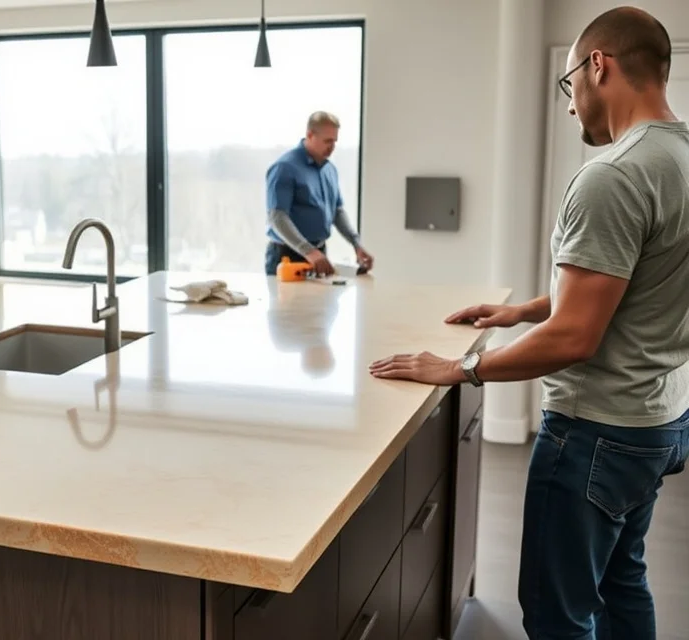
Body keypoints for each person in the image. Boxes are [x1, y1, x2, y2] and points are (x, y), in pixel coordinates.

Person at [369, 7, 689, 640]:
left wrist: (459, 368)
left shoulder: (613, 176)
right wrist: (523, 309)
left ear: (598, 65)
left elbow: (576, 337)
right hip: (659, 421)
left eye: (570, 84)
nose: (571, 108)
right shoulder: (679, 158)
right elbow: (638, 282)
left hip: (594, 433)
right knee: (623, 582)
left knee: (556, 613)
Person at [264, 111, 373, 277]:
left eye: (335, 141)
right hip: (287, 256)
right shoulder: (284, 168)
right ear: (310, 135)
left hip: (318, 253)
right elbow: (277, 217)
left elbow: (337, 211)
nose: (332, 147)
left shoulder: (330, 170)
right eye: (327, 141)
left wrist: (356, 244)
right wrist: (308, 251)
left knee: (320, 303)